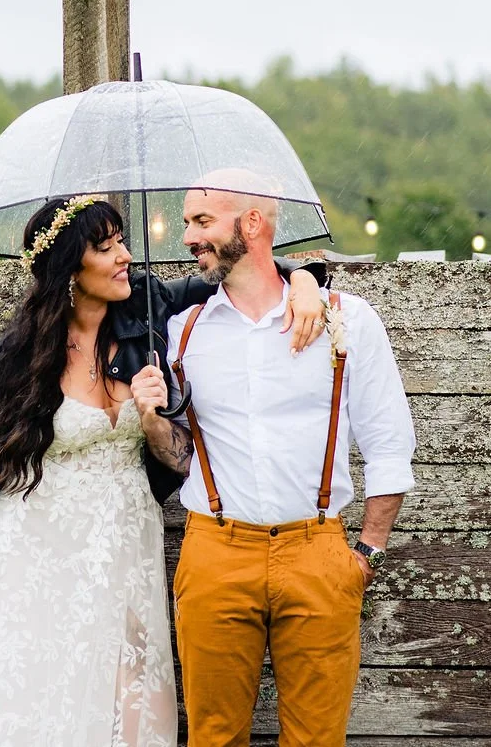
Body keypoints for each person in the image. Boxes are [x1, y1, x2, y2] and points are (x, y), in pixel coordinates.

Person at [0, 194, 326, 747]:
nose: (125, 255)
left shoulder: (146, 307)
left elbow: (244, 273)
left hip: (122, 547)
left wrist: (304, 281)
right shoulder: (20, 353)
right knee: (36, 707)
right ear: (69, 271)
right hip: (29, 553)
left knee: (134, 702)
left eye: (122, 241)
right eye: (107, 248)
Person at [166, 177, 417, 747]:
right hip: (214, 552)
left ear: (252, 224)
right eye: (187, 223)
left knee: (317, 739)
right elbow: (175, 451)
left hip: (318, 552)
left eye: (202, 221)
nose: (188, 237)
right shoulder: (182, 330)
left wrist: (367, 553)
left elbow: (389, 444)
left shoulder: (345, 319)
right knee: (213, 737)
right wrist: (153, 417)